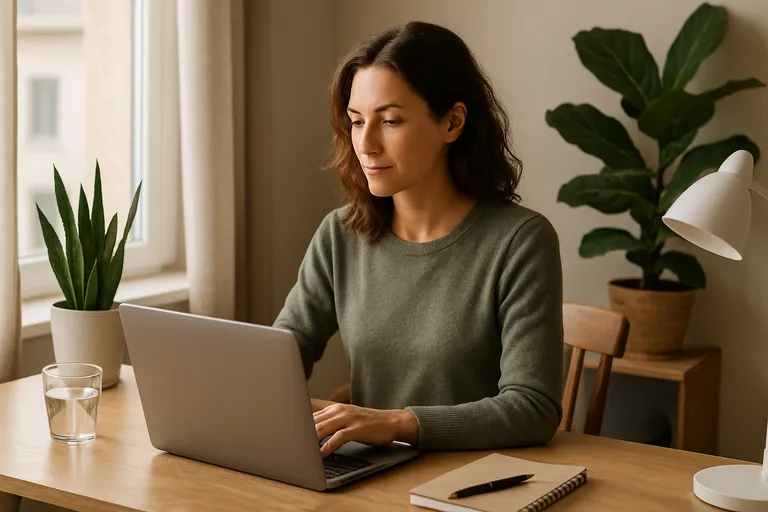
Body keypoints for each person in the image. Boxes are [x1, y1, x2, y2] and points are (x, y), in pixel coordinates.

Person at [274, 21, 563, 458]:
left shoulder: (521, 241)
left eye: (390, 120)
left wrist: (393, 423)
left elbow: (533, 407)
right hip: (373, 475)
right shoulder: (341, 234)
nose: (365, 144)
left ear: (452, 122)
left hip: (474, 482)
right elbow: (279, 358)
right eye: (356, 122)